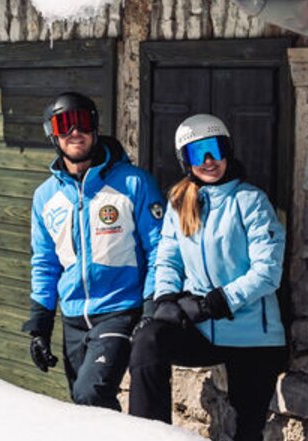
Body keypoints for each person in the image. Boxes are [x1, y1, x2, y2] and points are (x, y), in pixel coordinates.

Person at [128, 114, 288, 441]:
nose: (208, 161)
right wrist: (166, 299)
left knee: (246, 430)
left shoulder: (251, 201)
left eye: (214, 149)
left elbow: (268, 271)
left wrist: (219, 300)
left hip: (252, 337)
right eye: (196, 154)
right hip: (202, 330)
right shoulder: (180, 203)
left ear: (227, 150)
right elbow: (168, 258)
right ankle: (147, 434)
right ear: (185, 161)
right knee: (148, 340)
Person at [24, 92, 165, 410]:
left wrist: (151, 305)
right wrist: (40, 326)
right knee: (82, 403)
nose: (75, 131)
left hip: (119, 311)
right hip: (73, 318)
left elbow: (159, 248)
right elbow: (45, 262)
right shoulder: (45, 197)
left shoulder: (133, 184)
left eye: (83, 121)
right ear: (53, 134)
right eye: (64, 123)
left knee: (91, 395)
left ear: (96, 127)